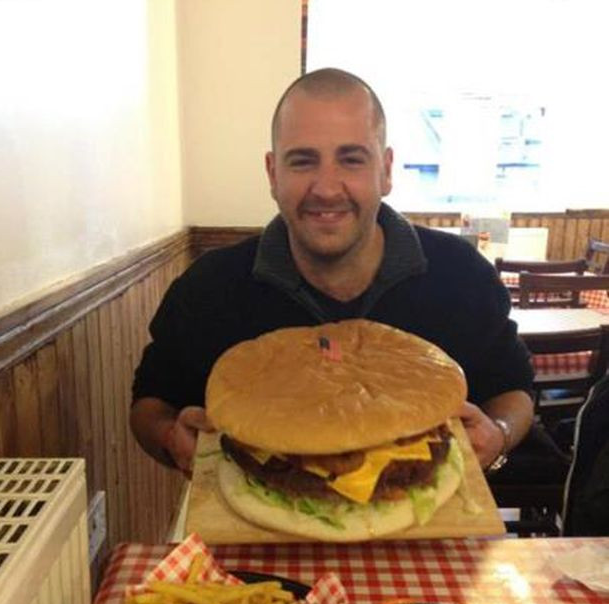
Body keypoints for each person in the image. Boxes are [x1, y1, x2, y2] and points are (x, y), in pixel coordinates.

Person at [130, 68, 534, 478]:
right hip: (250, 531)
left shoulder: (461, 274)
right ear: (273, 174)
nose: (326, 188)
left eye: (351, 160)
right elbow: (150, 403)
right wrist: (169, 437)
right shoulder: (207, 287)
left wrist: (497, 435)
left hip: (432, 519)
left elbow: (513, 388)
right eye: (303, 161)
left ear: (386, 170)